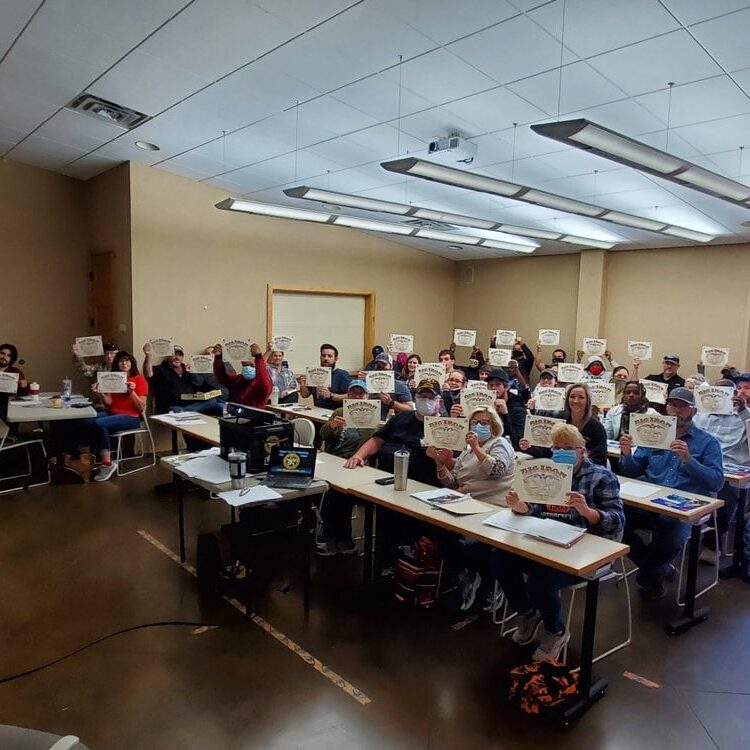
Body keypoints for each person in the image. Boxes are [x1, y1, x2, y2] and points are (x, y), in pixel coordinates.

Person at [495, 423, 624, 661]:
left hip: (586, 550)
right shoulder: (546, 471)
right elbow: (537, 506)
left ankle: (555, 630)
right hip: (546, 540)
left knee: (540, 582)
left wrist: (587, 511)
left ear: (582, 450)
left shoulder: (602, 477)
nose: (561, 452)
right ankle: (527, 613)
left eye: (568, 448)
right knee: (500, 558)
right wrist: (522, 506)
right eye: (556, 447)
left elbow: (616, 521)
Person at [619, 387, 724, 599]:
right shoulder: (654, 434)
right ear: (666, 407)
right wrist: (627, 454)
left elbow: (717, 482)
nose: (677, 411)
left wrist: (689, 460)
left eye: (683, 407)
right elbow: (633, 470)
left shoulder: (708, 442)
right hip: (648, 500)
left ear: (693, 412)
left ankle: (651, 571)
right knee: (617, 522)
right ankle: (657, 569)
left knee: (670, 533)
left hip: (683, 505)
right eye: (673, 405)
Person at [427, 406, 516, 610]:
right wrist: (440, 463)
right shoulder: (466, 452)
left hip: (494, 507)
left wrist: (477, 448)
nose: (479, 426)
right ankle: (466, 573)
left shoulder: (500, 444)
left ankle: (491, 581)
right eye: (475, 422)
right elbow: (452, 483)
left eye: (485, 423)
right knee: (437, 529)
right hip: (468, 503)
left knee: (471, 544)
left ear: (494, 426)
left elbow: (497, 471)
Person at [316, 380, 378, 556]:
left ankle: (335, 536)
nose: (357, 397)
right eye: (353, 393)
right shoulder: (339, 412)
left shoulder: (373, 416)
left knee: (341, 495)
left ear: (367, 396)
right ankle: (335, 536)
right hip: (332, 460)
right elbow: (323, 435)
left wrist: (366, 459)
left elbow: (375, 444)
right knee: (332, 492)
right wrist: (332, 426)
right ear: (348, 395)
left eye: (361, 393)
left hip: (356, 464)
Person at [693, 378, 750, 563]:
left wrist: (742, 412)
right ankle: (680, 532)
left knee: (726, 495)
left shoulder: (745, 415)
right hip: (702, 464)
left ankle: (713, 543)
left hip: (731, 470)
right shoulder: (701, 414)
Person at [343, 378, 442, 486]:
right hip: (383, 477)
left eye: (431, 398)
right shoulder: (400, 417)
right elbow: (377, 440)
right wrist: (358, 456)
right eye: (422, 397)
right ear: (416, 399)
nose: (426, 400)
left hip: (419, 483)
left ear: (440, 402)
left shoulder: (444, 427)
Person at [82, 351, 148, 481]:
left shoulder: (139, 380)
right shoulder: (114, 378)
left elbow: (141, 407)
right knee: (87, 420)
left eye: (127, 360)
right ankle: (86, 457)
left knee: (99, 424)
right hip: (112, 413)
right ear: (117, 364)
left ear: (132, 363)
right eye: (121, 361)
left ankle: (107, 463)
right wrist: (100, 393)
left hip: (132, 417)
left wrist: (131, 392)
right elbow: (109, 403)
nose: (124, 363)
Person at [520, 383, 608, 466]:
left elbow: (600, 460)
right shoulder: (559, 419)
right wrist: (529, 447)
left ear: (588, 401)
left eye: (581, 397)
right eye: (572, 397)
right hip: (558, 468)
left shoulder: (597, 428)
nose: (576, 401)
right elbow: (547, 450)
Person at [143, 343, 225, 416]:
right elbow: (148, 373)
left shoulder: (187, 368)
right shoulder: (161, 369)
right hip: (171, 406)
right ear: (168, 356)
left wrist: (192, 372)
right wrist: (148, 356)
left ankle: (184, 412)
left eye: (180, 355)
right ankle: (184, 413)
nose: (177, 357)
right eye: (174, 354)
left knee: (220, 406)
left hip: (193, 404)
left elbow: (199, 383)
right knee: (176, 410)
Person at [212, 342, 271, 409]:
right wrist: (218, 358)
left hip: (253, 416)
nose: (247, 367)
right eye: (244, 365)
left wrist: (258, 357)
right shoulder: (238, 379)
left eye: (251, 365)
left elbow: (264, 382)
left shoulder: (260, 384)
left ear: (257, 366)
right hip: (233, 414)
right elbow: (221, 376)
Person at [358, 352, 414, 418]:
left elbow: (410, 408)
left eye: (384, 364)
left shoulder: (399, 385)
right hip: (368, 418)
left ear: (391, 366)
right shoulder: (366, 383)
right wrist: (359, 382)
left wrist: (391, 402)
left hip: (389, 421)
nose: (381, 367)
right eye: (378, 364)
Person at [297, 344, 352, 410]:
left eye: (329, 356)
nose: (326, 358)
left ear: (336, 359)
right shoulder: (315, 373)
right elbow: (304, 395)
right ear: (320, 357)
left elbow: (351, 397)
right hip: (317, 412)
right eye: (323, 356)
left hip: (334, 414)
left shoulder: (342, 375)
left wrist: (331, 395)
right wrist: (303, 384)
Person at [0, 343, 29, 425]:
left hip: (8, 405)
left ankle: (11, 435)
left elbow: (22, 394)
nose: (4, 357)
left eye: (8, 355)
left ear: (11, 359)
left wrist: (23, 386)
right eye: (2, 353)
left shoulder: (16, 372)